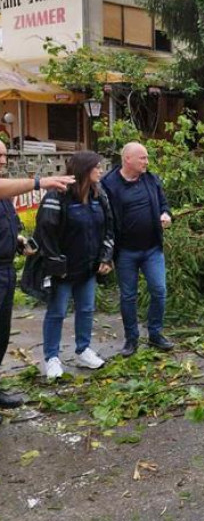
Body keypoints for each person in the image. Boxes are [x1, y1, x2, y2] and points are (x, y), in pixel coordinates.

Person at [0, 140, 75, 418]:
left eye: (5, 154)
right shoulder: (5, 187)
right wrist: (40, 182)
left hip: (6, 269)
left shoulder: (6, 192)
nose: (3, 160)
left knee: (2, 334)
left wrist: (20, 241)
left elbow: (9, 224)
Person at [33, 151, 114, 379]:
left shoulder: (99, 195)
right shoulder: (57, 196)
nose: (100, 171)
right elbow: (44, 232)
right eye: (97, 167)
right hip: (63, 271)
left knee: (86, 310)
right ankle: (52, 358)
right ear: (84, 170)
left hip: (88, 268)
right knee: (57, 312)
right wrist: (55, 262)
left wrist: (106, 256)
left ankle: (83, 350)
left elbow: (109, 227)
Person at [101, 142, 174, 357]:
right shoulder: (108, 184)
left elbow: (164, 204)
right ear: (127, 160)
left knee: (159, 291)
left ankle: (155, 334)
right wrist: (106, 254)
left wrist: (166, 215)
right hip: (125, 252)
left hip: (152, 249)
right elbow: (105, 219)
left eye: (147, 158)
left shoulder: (151, 179)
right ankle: (131, 339)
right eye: (142, 158)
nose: (147, 162)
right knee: (128, 296)